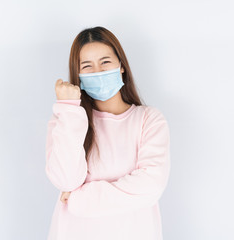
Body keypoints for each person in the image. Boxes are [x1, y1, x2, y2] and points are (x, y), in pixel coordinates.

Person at [45, 26, 171, 240]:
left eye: (105, 62)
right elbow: (66, 181)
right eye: (87, 66)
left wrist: (80, 198)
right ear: (78, 76)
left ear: (121, 66)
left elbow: (150, 185)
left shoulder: (148, 119)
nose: (98, 72)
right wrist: (68, 108)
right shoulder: (66, 119)